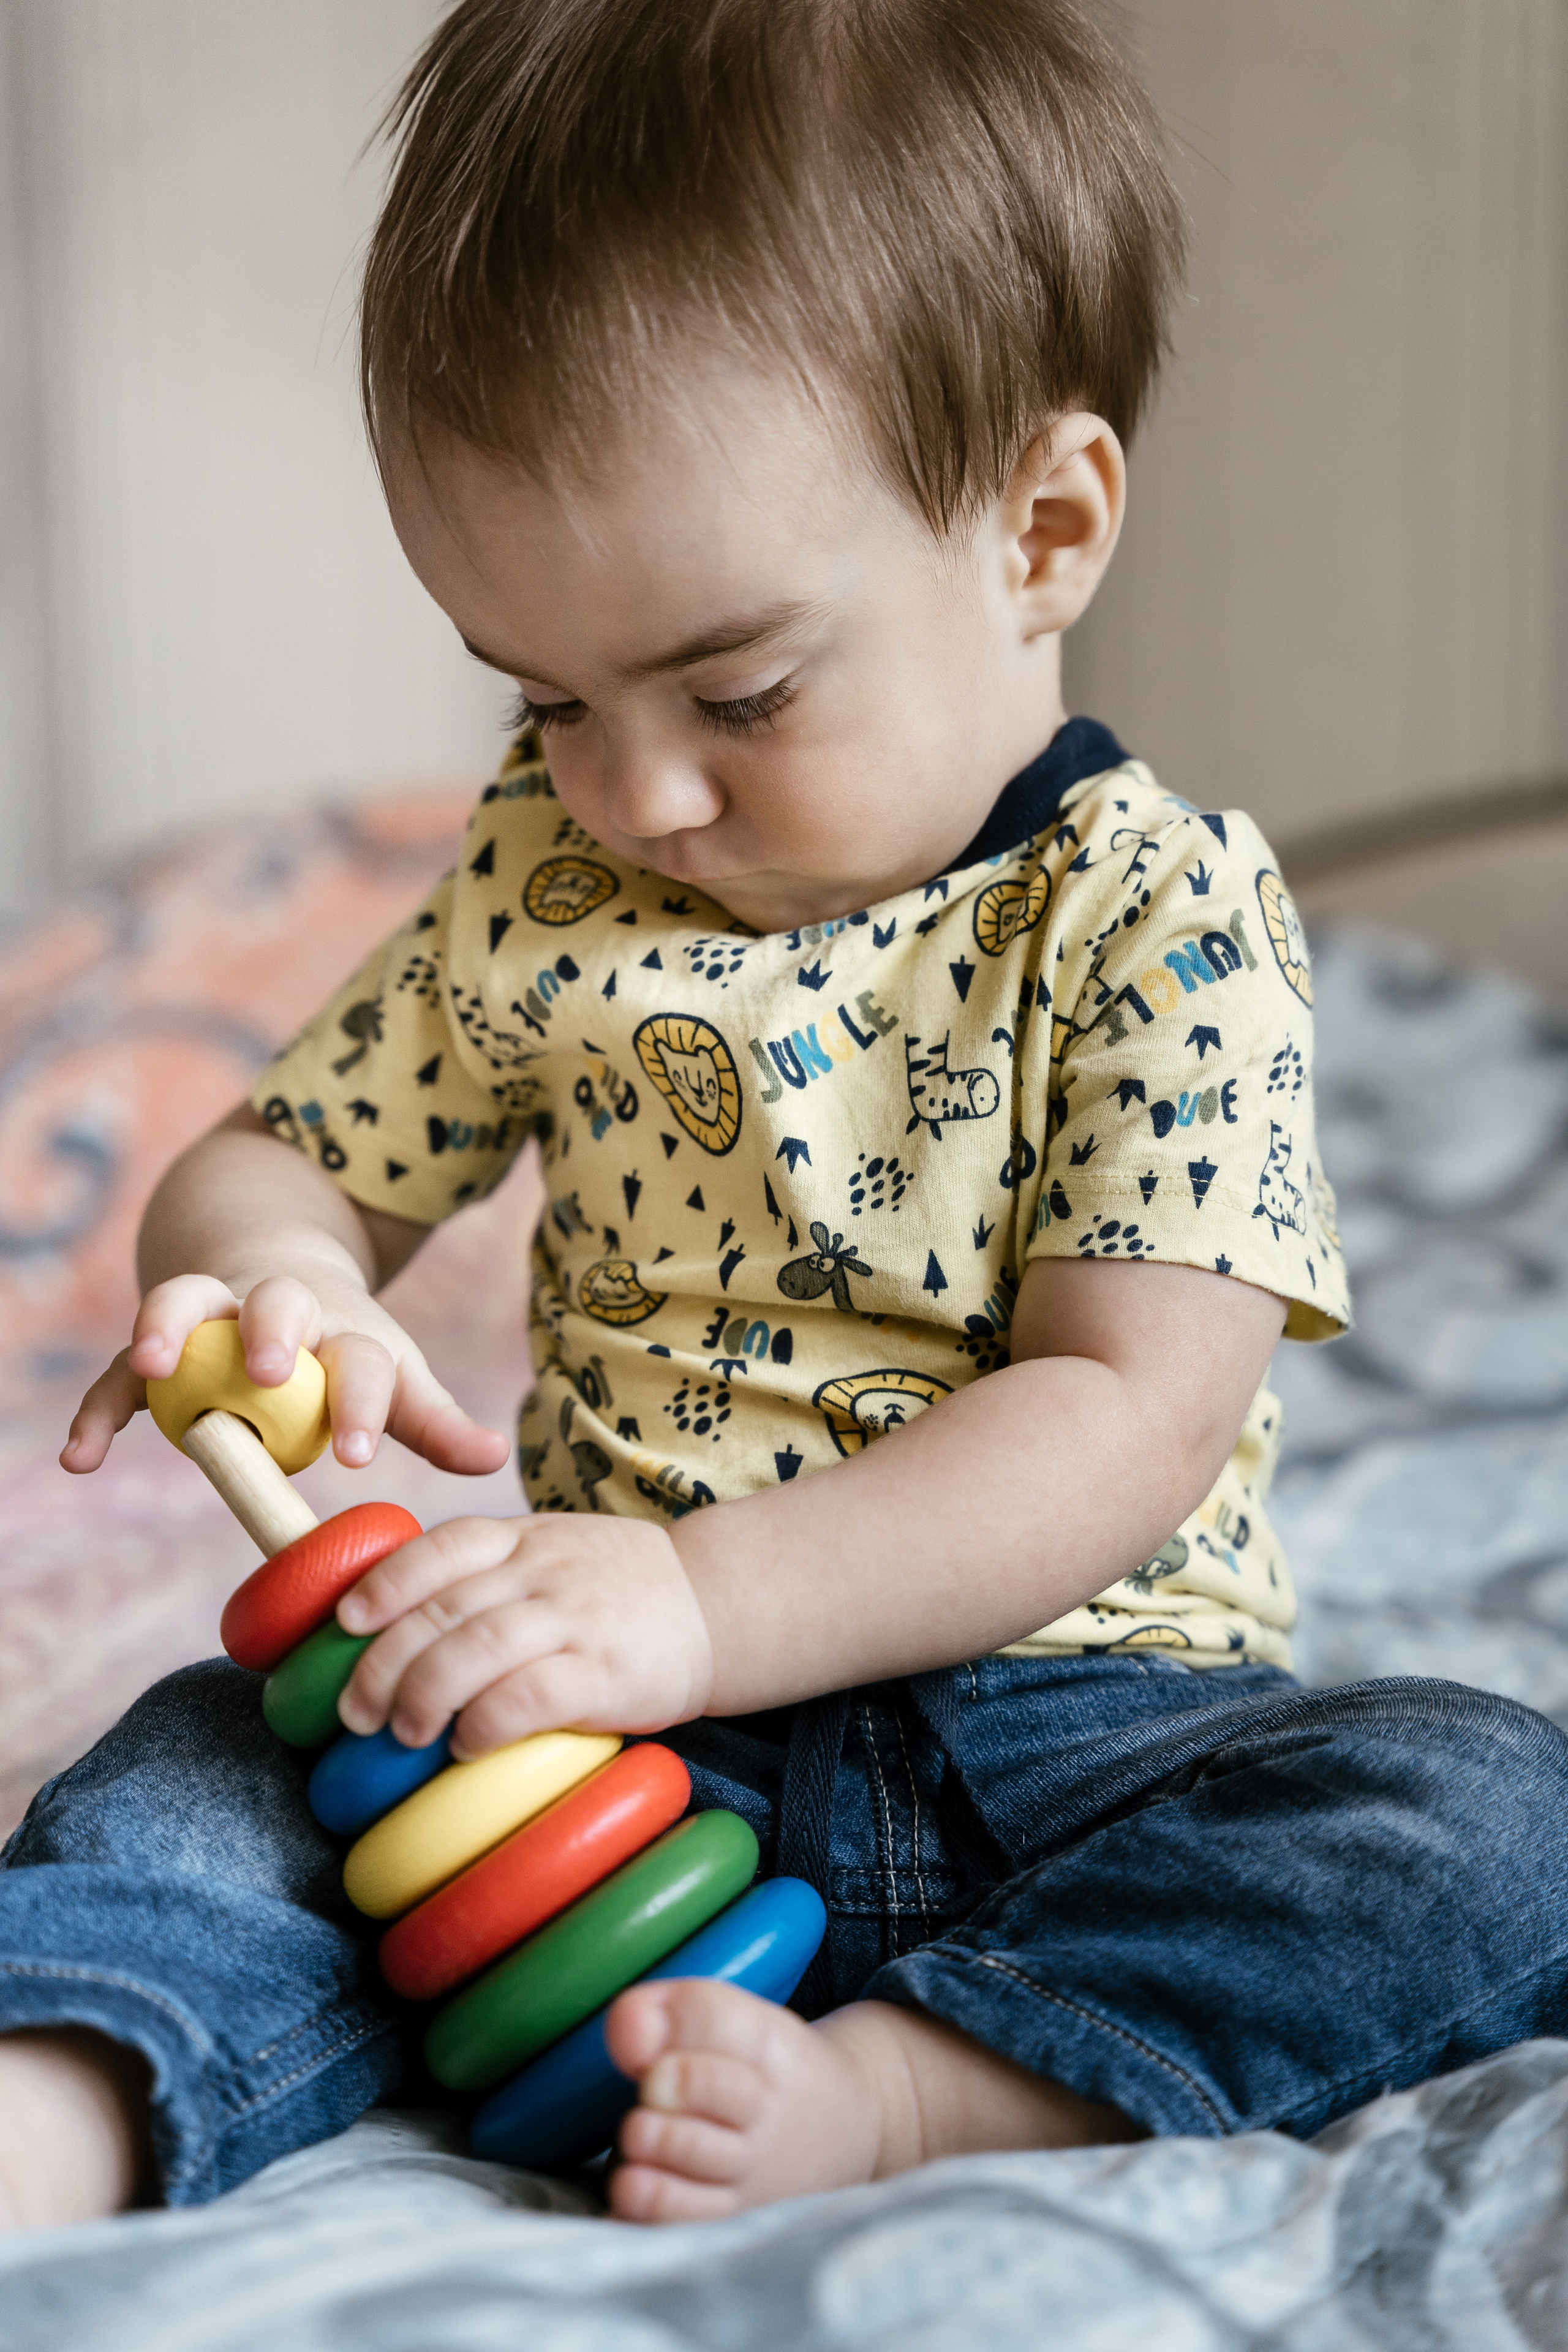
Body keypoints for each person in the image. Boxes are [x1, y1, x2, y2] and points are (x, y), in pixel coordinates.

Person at [6, 0, 1567, 2235]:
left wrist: (700, 1603)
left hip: (1058, 1740)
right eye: (546, 692)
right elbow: (282, 1154)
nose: (633, 787)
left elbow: (1128, 1412)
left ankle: (926, 2089)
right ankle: (56, 2099)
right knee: (198, 1773)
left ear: (1042, 526)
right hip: (585, 1750)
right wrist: (261, 1277)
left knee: (1486, 1814)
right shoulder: (548, 877)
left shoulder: (1160, 919)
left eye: (737, 689)